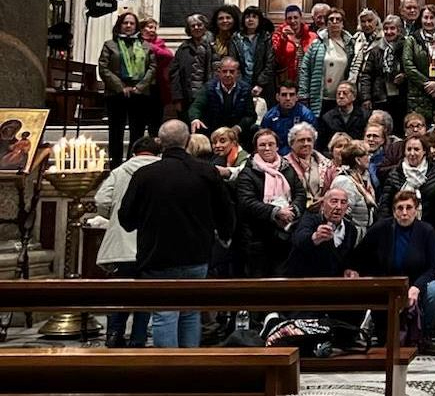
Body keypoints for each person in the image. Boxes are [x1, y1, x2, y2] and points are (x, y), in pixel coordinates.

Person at [118, 120, 235, 348]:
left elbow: (126, 218)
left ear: (160, 143)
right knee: (190, 312)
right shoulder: (206, 172)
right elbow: (226, 211)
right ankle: (189, 366)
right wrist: (224, 235)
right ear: (188, 141)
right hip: (196, 254)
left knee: (164, 314)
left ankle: (168, 371)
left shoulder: (145, 175)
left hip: (157, 255)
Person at [350, 190, 435, 355]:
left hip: (417, 281)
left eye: (409, 207)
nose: (404, 213)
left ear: (416, 210)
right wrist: (353, 270)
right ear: (394, 211)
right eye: (400, 208)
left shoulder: (427, 231)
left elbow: (431, 268)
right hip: (388, 282)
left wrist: (416, 287)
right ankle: (384, 334)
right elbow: (358, 255)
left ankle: (425, 336)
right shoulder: (381, 228)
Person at [96, 136, 160, 348]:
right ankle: (138, 338)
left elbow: (102, 200)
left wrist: (113, 213)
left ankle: (114, 334)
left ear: (134, 153)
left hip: (122, 242)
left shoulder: (120, 171)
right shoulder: (161, 169)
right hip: (151, 245)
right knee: (146, 296)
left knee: (120, 292)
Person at [235, 129, 306, 277]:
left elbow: (300, 193)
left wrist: (292, 211)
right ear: (256, 148)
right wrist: (276, 212)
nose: (267, 148)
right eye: (262, 145)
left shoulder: (287, 168)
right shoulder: (247, 172)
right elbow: (247, 202)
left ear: (277, 147)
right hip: (257, 238)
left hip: (285, 234)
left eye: (270, 144)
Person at [98, 11, 157, 165]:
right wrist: (120, 87)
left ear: (136, 26)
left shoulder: (146, 46)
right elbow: (104, 68)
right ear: (119, 25)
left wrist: (140, 87)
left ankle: (133, 162)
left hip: (140, 94)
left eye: (132, 23)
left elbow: (152, 67)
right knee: (116, 131)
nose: (129, 26)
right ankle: (115, 165)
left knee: (137, 131)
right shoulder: (110, 45)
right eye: (125, 23)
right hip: (116, 94)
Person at [380, 134, 435, 243]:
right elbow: (385, 205)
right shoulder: (394, 174)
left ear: (424, 151)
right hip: (399, 231)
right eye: (409, 149)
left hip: (430, 232)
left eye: (416, 149)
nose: (412, 153)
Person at [283, 187, 359, 278]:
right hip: (304, 280)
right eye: (334, 201)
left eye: (343, 202)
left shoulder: (351, 229)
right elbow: (299, 239)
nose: (339, 207)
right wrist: (315, 237)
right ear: (323, 204)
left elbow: (347, 258)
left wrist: (348, 270)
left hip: (332, 283)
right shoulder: (309, 219)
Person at [298, 6, 356, 118]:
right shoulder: (316, 44)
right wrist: (303, 94)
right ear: (327, 23)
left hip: (341, 98)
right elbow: (305, 69)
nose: (334, 22)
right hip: (319, 97)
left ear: (343, 23)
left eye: (338, 19)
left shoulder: (350, 45)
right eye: (331, 19)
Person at [188, 56, 257, 146]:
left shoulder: (245, 89)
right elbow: (196, 106)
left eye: (232, 71)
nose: (228, 75)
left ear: (237, 73)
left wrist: (238, 128)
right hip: (213, 129)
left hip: (236, 131)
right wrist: (195, 119)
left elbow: (251, 115)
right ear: (219, 72)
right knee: (197, 127)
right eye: (224, 71)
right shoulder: (209, 88)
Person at [403, 5, 435, 123]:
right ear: (420, 19)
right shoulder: (412, 39)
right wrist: (427, 84)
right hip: (417, 94)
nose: (429, 21)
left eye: (432, 18)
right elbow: (408, 65)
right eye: (425, 17)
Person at [359, 13, 407, 125]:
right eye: (386, 29)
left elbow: (411, 68)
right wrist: (366, 98)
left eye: (392, 28)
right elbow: (366, 75)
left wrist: (404, 76)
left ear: (399, 30)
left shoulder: (406, 47)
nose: (388, 32)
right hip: (380, 97)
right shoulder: (376, 50)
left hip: (402, 97)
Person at [170, 13, 213, 118]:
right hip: (187, 97)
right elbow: (175, 74)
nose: (196, 28)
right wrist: (177, 98)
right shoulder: (183, 48)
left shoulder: (213, 46)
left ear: (205, 26)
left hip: (209, 96)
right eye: (192, 26)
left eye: (199, 25)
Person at [139, 18, 174, 143]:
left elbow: (168, 55)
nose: (152, 30)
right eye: (149, 27)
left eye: (154, 27)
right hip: (140, 87)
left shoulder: (158, 43)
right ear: (141, 29)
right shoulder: (136, 44)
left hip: (157, 86)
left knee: (156, 120)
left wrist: (150, 46)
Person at [329, 139, 376, 230]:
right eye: (367, 155)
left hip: (364, 232)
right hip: (352, 235)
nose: (370, 158)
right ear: (358, 160)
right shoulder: (344, 181)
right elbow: (343, 214)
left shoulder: (364, 178)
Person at [259, 81, 317, 155]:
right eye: (284, 95)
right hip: (275, 155)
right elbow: (263, 139)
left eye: (292, 95)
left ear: (297, 97)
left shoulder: (306, 115)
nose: (288, 98)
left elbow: (312, 142)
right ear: (277, 97)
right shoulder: (269, 116)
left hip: (299, 154)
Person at [235, 5, 276, 101]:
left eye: (254, 17)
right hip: (241, 84)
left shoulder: (266, 37)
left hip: (263, 85)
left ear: (259, 20)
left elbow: (270, 62)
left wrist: (260, 84)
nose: (250, 19)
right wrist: (242, 84)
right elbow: (234, 62)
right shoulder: (236, 38)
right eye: (247, 17)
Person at [283, 122, 329, 206]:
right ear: (292, 143)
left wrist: (324, 199)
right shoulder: (284, 165)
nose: (306, 144)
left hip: (321, 209)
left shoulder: (326, 163)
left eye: (309, 140)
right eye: (301, 140)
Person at [271, 5, 314, 89]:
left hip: (307, 79)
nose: (293, 21)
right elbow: (277, 59)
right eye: (289, 18)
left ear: (301, 18)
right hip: (286, 81)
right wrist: (283, 39)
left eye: (295, 17)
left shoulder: (312, 36)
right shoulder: (278, 36)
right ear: (286, 20)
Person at [319, 81, 368, 150]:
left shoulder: (364, 116)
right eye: (338, 94)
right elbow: (322, 146)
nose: (341, 96)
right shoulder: (327, 118)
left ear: (354, 97)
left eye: (345, 93)